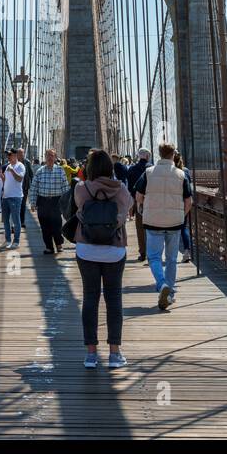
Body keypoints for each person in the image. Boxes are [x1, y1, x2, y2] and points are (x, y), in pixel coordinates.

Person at [70, 148, 132, 369]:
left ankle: (91, 354)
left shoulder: (81, 188)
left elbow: (79, 208)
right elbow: (126, 213)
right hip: (114, 250)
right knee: (114, 299)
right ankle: (115, 354)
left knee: (90, 297)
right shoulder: (122, 190)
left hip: (86, 250)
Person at [135, 142, 192, 310]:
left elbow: (138, 195)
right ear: (173, 154)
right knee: (172, 259)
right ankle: (170, 294)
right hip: (175, 223)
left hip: (153, 221)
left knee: (153, 257)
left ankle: (161, 285)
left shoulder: (148, 172)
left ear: (159, 154)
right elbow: (188, 201)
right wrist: (181, 215)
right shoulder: (181, 175)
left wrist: (142, 208)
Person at [29, 148, 70, 254]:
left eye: (52, 155)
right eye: (48, 155)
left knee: (57, 224)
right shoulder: (40, 171)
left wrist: (67, 203)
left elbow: (65, 187)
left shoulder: (60, 170)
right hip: (43, 201)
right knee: (44, 225)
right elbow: (34, 188)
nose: (50, 157)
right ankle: (49, 247)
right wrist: (33, 203)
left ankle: (59, 244)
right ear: (45, 157)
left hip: (56, 201)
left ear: (55, 157)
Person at [126, 148, 151, 262]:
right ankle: (152, 252)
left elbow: (130, 188)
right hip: (151, 201)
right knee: (151, 228)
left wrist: (131, 206)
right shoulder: (152, 168)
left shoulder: (131, 169)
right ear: (147, 156)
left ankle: (143, 252)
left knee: (140, 228)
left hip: (137, 201)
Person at [0, 148, 26, 248]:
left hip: (15, 196)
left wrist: (12, 171)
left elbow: (19, 179)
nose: (8, 157)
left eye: (10, 155)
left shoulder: (20, 166)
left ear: (15, 155)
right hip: (6, 196)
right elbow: (7, 180)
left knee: (16, 220)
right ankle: (7, 240)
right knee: (6, 221)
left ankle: (16, 241)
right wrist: (2, 177)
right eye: (8, 155)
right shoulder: (8, 166)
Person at [174, 151, 194, 263]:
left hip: (173, 202)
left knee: (169, 229)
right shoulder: (185, 170)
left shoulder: (172, 171)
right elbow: (188, 187)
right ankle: (187, 251)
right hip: (184, 202)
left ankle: (171, 252)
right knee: (183, 228)